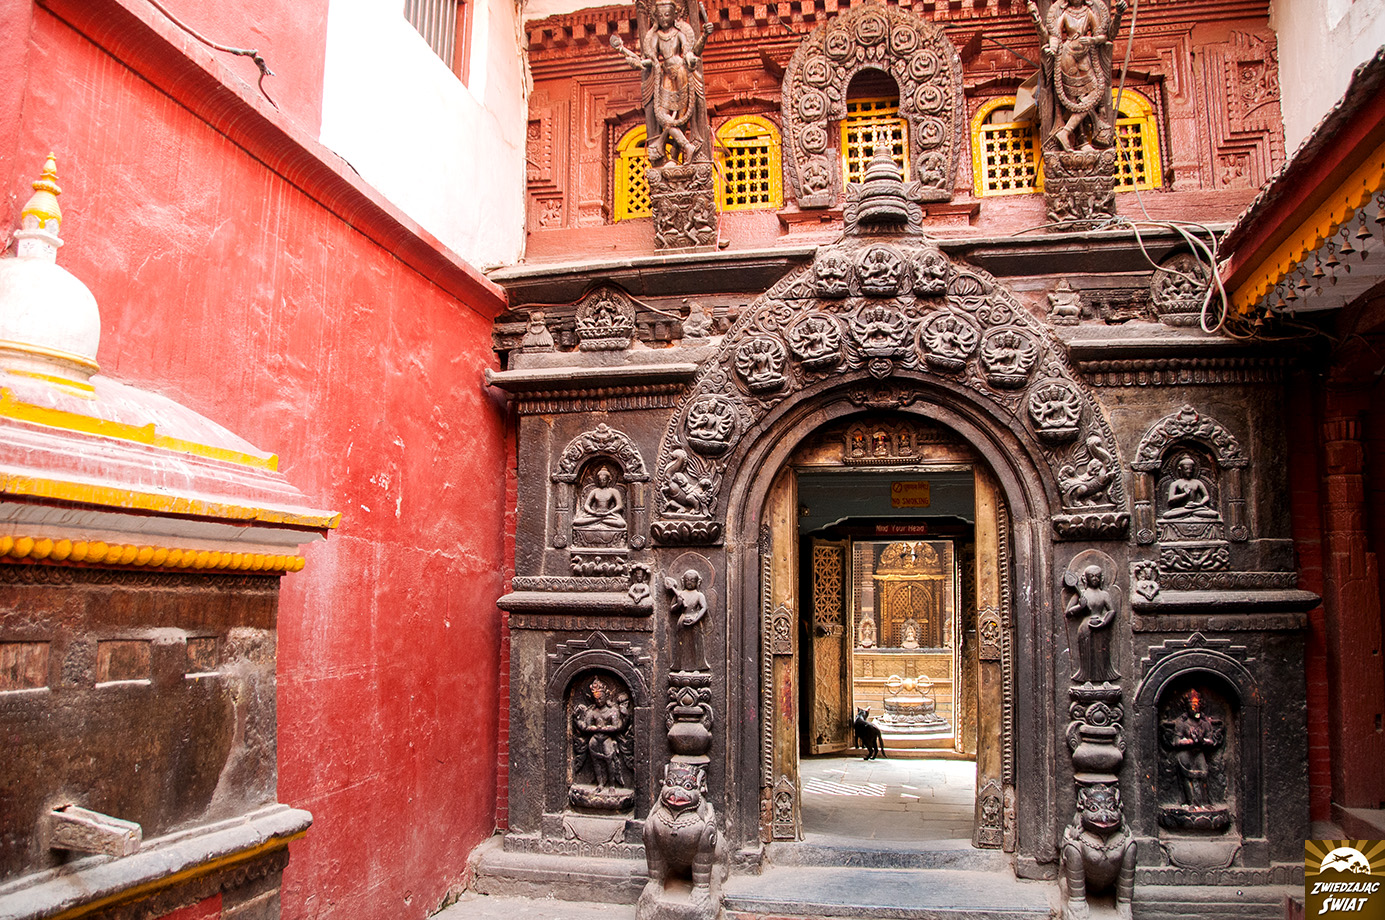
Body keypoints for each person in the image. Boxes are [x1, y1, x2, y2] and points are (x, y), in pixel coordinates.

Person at [612, 0, 713, 165]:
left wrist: (704, 37)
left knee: (681, 117)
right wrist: (636, 62)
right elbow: (649, 60)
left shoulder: (680, 33)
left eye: (667, 14)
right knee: (664, 117)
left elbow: (690, 52)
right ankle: (686, 147)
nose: (664, 18)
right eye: (660, 15)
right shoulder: (656, 36)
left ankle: (675, 156)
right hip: (665, 76)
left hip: (681, 74)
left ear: (674, 15)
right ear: (655, 17)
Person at [1028, 0, 1125, 151]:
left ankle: (1067, 133)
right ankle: (1080, 140)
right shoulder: (1065, 14)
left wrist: (1092, 39)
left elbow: (1104, 36)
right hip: (1068, 56)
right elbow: (1055, 36)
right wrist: (1053, 48)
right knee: (1075, 97)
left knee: (1093, 94)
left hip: (1085, 55)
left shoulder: (1088, 13)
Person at [1064, 564, 1119, 682]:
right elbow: (1068, 612)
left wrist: (1104, 622)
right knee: (1087, 653)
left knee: (1102, 654)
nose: (1095, 579)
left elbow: (1111, 611)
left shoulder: (1104, 595)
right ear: (1085, 578)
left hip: (1101, 627)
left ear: (1101, 578)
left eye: (1097, 576)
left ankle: (1105, 680)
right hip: (1086, 627)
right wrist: (1080, 606)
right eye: (1092, 576)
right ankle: (1086, 680)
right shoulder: (1081, 595)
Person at [665, 569, 710, 671]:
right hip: (683, 621)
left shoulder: (699, 595)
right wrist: (679, 604)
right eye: (687, 580)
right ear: (683, 582)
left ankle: (697, 668)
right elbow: (672, 609)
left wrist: (695, 619)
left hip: (695, 621)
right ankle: (681, 668)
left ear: (697, 582)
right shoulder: (680, 594)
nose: (689, 582)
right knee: (682, 644)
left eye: (692, 580)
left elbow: (704, 608)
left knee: (696, 644)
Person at [1164, 455, 1219, 520]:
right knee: (1166, 515)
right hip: (1182, 509)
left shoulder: (1197, 482)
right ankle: (1189, 514)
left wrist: (1199, 504)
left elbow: (1206, 496)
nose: (1189, 471)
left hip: (1196, 509)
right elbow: (1170, 500)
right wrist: (1185, 494)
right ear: (1180, 469)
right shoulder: (1176, 483)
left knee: (1214, 514)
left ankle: (1191, 513)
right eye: (1186, 469)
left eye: (1191, 469)